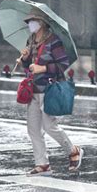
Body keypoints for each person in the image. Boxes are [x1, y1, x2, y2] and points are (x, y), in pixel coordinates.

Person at [17, 12, 83, 176]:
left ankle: (74, 151)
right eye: (29, 22)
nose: (30, 24)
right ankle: (42, 164)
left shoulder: (53, 41)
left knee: (49, 126)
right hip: (33, 89)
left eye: (33, 21)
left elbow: (63, 64)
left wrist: (44, 68)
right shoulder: (31, 41)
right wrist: (25, 59)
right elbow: (29, 67)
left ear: (42, 23)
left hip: (49, 90)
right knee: (33, 129)